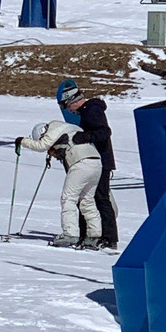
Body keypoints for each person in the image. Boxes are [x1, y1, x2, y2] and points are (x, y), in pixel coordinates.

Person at [16, 121, 102, 249]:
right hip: (96, 163)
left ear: (42, 132)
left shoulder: (54, 129)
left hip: (81, 163)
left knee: (68, 199)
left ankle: (70, 234)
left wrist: (22, 141)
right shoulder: (71, 128)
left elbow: (41, 146)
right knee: (87, 200)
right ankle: (94, 236)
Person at [57, 80, 118, 249]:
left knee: (101, 199)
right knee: (87, 198)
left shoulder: (92, 110)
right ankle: (88, 234)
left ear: (73, 100)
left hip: (101, 161)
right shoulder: (87, 111)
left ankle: (109, 238)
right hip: (96, 161)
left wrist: (85, 137)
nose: (67, 110)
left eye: (66, 105)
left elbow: (104, 132)